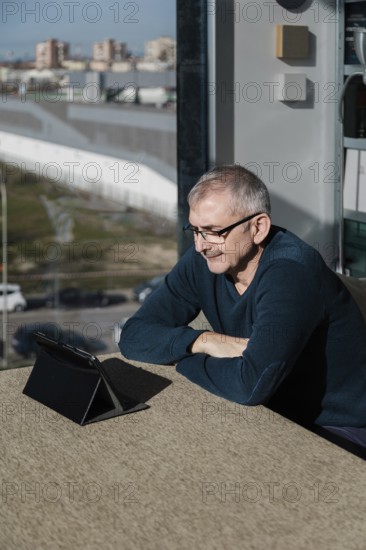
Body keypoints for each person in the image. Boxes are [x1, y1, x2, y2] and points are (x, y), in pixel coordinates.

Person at [120, 164, 366, 458]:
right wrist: (203, 340)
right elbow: (133, 336)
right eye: (195, 230)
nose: (201, 245)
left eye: (214, 232)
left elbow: (250, 384)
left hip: (336, 425)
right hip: (273, 409)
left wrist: (183, 359)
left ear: (258, 227)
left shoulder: (291, 273)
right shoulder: (203, 261)